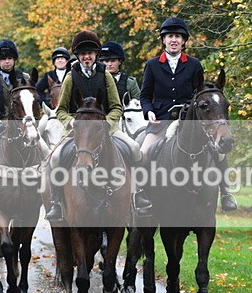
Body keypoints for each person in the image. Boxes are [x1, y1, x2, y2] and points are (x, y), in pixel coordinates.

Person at [137, 17, 237, 215]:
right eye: (169, 36)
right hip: (161, 119)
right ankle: (141, 193)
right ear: (163, 40)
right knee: (145, 151)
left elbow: (199, 94)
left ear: (183, 41)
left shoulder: (194, 64)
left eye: (177, 37)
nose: (173, 40)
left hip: (188, 119)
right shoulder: (153, 65)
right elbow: (145, 95)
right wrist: (148, 110)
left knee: (219, 152)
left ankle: (226, 193)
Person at [44, 30, 140, 222]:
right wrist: (71, 122)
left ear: (96, 55)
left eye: (90, 53)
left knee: (135, 148)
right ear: (78, 56)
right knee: (55, 157)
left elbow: (116, 107)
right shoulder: (71, 77)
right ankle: (56, 201)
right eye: (82, 53)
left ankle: (138, 194)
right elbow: (61, 109)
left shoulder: (106, 76)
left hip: (104, 128)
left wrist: (107, 124)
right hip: (76, 129)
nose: (86, 57)